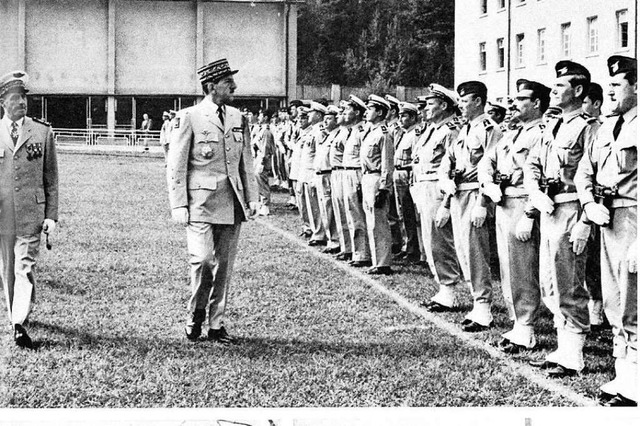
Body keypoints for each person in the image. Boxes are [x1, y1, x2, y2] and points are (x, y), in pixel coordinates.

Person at [166, 58, 258, 344]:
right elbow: (176, 164)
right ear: (210, 86)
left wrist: (251, 197)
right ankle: (196, 314)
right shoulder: (189, 116)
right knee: (203, 260)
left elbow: (246, 161)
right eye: (227, 81)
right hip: (200, 203)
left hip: (231, 201)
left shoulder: (238, 118)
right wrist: (178, 203)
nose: (234, 86)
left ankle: (216, 324)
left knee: (225, 266)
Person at [524, 60, 598, 377]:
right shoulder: (552, 126)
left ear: (578, 90)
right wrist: (535, 194)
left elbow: (591, 176)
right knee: (549, 281)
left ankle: (574, 353)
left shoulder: (589, 127)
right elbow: (532, 165)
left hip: (571, 207)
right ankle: (562, 346)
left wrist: (584, 220)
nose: (554, 90)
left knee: (570, 282)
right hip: (549, 207)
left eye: (561, 86)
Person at [575, 55, 637, 406]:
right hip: (606, 216)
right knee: (614, 298)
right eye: (609, 85)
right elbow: (585, 171)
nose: (610, 91)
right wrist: (587, 203)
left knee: (636, 300)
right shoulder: (604, 127)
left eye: (617, 85)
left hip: (633, 218)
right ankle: (624, 373)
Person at [478, 79, 551, 353]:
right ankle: (517, 320)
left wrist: (530, 213)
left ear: (537, 104)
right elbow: (487, 161)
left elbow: (542, 177)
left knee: (524, 266)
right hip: (504, 199)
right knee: (508, 266)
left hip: (523, 201)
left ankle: (527, 324)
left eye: (521, 99)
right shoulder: (511, 133)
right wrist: (488, 184)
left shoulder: (542, 133)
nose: (514, 103)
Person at [438, 81, 503, 332]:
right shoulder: (464, 129)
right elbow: (451, 159)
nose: (460, 106)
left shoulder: (489, 128)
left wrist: (483, 203)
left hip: (476, 194)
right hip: (458, 193)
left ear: (478, 101)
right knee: (464, 250)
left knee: (476, 253)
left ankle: (484, 306)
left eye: (465, 101)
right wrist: (445, 183)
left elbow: (492, 167)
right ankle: (477, 303)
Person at [0, 70, 58, 349]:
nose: (21, 102)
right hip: (3, 215)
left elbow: (51, 179)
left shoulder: (42, 132)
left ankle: (19, 324)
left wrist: (51, 215)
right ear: (3, 102)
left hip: (31, 214)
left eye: (23, 97)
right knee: (8, 269)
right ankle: (16, 315)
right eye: (15, 98)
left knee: (25, 266)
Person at [413, 84, 464, 312]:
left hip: (438, 188)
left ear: (444, 105)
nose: (426, 108)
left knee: (441, 240)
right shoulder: (432, 129)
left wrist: (446, 201)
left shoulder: (451, 130)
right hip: (425, 185)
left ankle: (449, 289)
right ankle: (442, 286)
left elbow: (455, 166)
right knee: (430, 239)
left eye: (431, 103)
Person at [360, 95, 394, 275]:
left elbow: (387, 163)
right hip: (366, 177)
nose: (366, 112)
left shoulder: (383, 134)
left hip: (376, 178)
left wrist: (384, 187)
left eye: (370, 109)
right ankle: (376, 259)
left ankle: (383, 262)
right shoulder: (370, 131)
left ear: (380, 112)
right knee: (370, 220)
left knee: (378, 221)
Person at [341, 95, 372, 267]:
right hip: (348, 173)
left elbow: (363, 158)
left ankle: (363, 254)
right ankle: (356, 251)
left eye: (348, 110)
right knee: (351, 215)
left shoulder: (362, 132)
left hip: (356, 174)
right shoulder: (352, 130)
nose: (345, 113)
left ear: (358, 112)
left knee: (359, 215)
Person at [392, 101, 421, 263]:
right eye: (400, 115)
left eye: (404, 116)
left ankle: (412, 250)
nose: (400, 119)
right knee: (401, 213)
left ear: (412, 118)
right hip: (399, 173)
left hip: (407, 174)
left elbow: (417, 159)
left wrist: (406, 167)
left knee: (409, 213)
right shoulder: (404, 134)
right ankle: (406, 246)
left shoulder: (416, 134)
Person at [313, 105, 342, 254]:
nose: (325, 122)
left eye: (329, 118)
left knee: (330, 208)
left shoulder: (338, 135)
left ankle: (335, 240)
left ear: (337, 120)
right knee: (324, 208)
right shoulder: (328, 135)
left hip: (329, 174)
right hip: (320, 174)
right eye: (324, 118)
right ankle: (331, 239)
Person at [252, 109, 276, 216]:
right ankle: (261, 204)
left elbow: (266, 148)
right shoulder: (260, 130)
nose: (259, 118)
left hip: (263, 159)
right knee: (258, 181)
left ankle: (265, 205)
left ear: (266, 118)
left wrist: (261, 162)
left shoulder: (266, 131)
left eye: (261, 116)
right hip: (258, 158)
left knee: (263, 181)